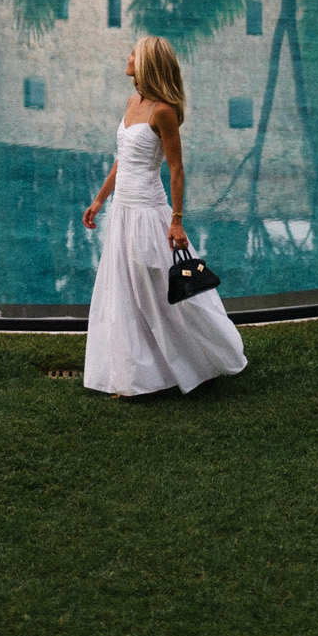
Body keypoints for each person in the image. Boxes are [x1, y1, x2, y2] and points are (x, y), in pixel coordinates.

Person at [82, 34, 247, 397]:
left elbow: (176, 170)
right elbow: (122, 159)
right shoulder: (132, 101)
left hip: (148, 214)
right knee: (125, 293)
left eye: (133, 53)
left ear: (147, 64)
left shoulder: (163, 111)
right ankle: (134, 375)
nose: (127, 57)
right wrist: (98, 201)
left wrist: (176, 219)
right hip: (122, 213)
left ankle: (202, 357)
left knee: (160, 292)